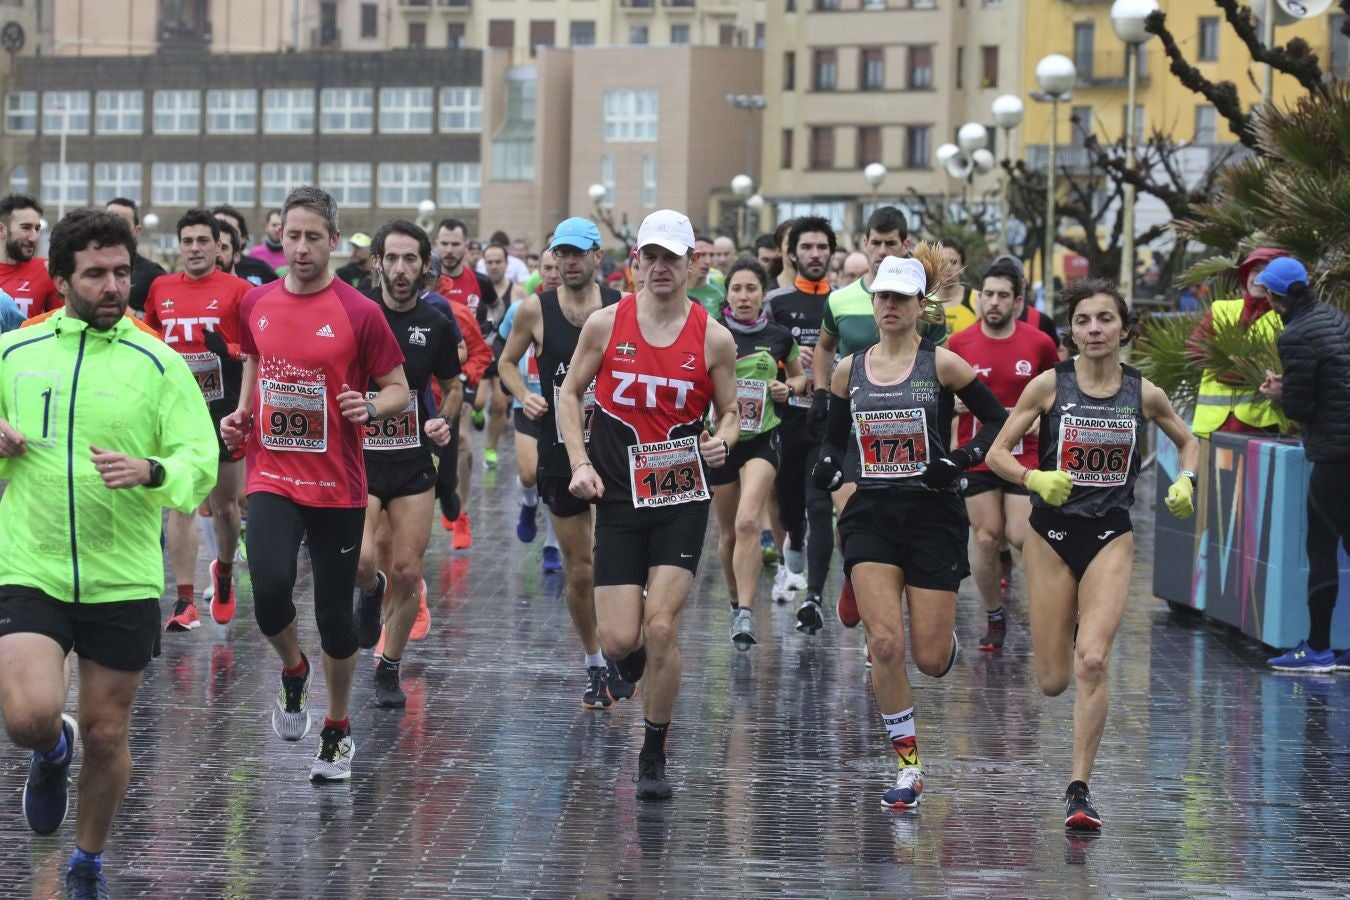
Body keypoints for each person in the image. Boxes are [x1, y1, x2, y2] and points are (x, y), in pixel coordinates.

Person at [0, 209, 217, 897]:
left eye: (122, 272)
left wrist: (154, 471)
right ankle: (48, 750)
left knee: (105, 733)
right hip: (28, 563)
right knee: (27, 716)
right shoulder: (15, 353)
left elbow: (199, 459)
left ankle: (87, 862)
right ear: (62, 279)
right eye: (95, 274)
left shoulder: (158, 363)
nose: (113, 286)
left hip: (121, 575)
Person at [986, 277, 1198, 831]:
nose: (1095, 329)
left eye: (1105, 319)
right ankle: (1070, 629)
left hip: (1110, 534)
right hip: (1050, 537)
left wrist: (1187, 480)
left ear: (1124, 329)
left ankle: (1079, 790)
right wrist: (1033, 478)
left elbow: (1188, 440)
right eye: (1083, 320)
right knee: (1053, 680)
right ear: (1071, 332)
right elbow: (998, 452)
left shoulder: (1143, 393)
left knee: (1095, 661)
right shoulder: (1048, 386)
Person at [220, 187, 409, 782]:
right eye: (292, 236)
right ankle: (293, 669)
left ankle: (337, 727)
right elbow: (255, 359)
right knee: (270, 590)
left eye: (313, 237)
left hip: (337, 485)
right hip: (272, 472)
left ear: (334, 240)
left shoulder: (360, 312)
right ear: (280, 236)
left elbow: (398, 388)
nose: (300, 248)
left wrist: (370, 407)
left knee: (334, 616)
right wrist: (243, 413)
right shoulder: (257, 301)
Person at [812, 254, 1007, 812]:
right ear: (873, 302)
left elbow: (997, 420)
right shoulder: (849, 370)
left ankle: (943, 642)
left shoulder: (942, 364)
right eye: (883, 296)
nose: (891, 306)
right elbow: (833, 440)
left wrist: (961, 460)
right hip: (871, 512)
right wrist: (828, 465)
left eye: (901, 297)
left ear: (921, 306)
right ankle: (908, 764)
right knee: (884, 643)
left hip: (932, 516)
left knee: (928, 658)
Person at [558, 209, 738, 798]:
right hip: (617, 498)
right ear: (635, 262)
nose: (660, 268)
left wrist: (723, 440)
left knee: (660, 627)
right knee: (618, 641)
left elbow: (732, 412)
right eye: (650, 257)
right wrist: (580, 463)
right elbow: (569, 393)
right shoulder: (606, 325)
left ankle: (654, 750)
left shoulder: (713, 337)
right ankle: (632, 664)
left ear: (692, 263)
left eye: (671, 258)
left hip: (681, 497)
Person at [499, 217, 634, 707]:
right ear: (554, 258)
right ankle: (595, 661)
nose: (570, 262)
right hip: (559, 452)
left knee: (619, 559)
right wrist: (524, 395)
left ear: (598, 256)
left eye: (579, 253)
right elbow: (506, 362)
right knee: (581, 569)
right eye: (563, 254)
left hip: (616, 452)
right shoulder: (535, 309)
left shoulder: (623, 307)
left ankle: (623, 641)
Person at [813, 208, 948, 627]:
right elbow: (824, 347)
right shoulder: (840, 299)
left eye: (892, 243)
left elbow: (941, 369)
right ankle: (857, 576)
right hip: (856, 428)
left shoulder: (928, 307)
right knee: (851, 514)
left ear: (905, 245)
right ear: (865, 243)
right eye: (876, 242)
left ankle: (902, 593)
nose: (883, 249)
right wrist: (821, 391)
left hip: (909, 435)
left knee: (896, 524)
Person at [352, 220, 461, 708]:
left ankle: (390, 668)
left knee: (408, 569)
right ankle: (368, 591)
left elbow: (452, 386)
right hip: (359, 458)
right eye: (392, 258)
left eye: (410, 259)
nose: (400, 269)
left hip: (413, 460)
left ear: (424, 265)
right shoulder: (356, 312)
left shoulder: (436, 323)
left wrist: (444, 421)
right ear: (377, 262)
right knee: (362, 560)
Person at [143, 209, 252, 631]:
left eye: (202, 241)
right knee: (181, 500)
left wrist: (228, 350)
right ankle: (184, 600)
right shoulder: (161, 288)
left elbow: (257, 351)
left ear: (218, 246)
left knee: (225, 507)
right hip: (176, 411)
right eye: (187, 241)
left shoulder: (239, 291)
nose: (194, 248)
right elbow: (147, 338)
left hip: (222, 409)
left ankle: (223, 570)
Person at [948, 261, 1060, 650]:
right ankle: (994, 616)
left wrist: (1041, 416)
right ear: (979, 298)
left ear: (1017, 301)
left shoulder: (1039, 343)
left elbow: (1059, 391)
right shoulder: (959, 344)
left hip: (1022, 454)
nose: (994, 302)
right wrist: (954, 406)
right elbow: (943, 391)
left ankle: (1051, 605)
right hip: (978, 452)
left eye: (1003, 296)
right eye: (988, 295)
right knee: (986, 537)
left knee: (1019, 534)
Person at [1255, 258, 1350, 672]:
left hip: (1333, 454)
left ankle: (1319, 648)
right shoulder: (1337, 318)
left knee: (1321, 546)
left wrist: (1281, 392)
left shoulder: (1295, 334)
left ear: (1274, 296)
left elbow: (1300, 406)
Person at [712, 258, 806, 648]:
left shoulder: (779, 336)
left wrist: (789, 388)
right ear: (727, 295)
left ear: (763, 294)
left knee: (749, 521)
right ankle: (736, 603)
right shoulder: (711, 333)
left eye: (751, 288)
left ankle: (747, 612)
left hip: (763, 439)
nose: (743, 296)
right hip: (721, 443)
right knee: (728, 535)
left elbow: (799, 375)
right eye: (736, 289)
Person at [767, 216, 837, 626]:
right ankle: (793, 536)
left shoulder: (843, 302)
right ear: (792, 254)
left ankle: (814, 597)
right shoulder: (775, 301)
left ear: (831, 253)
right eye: (807, 247)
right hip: (786, 419)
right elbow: (755, 354)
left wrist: (831, 358)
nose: (815, 254)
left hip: (826, 418)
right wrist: (789, 360)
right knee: (790, 506)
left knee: (820, 505)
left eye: (822, 247)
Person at [433, 218, 497, 549]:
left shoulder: (479, 282)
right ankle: (444, 491)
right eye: (443, 243)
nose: (449, 250)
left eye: (455, 244)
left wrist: (470, 370)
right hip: (427, 381)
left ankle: (462, 513)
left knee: (460, 439)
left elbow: (494, 315)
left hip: (461, 373)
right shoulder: (419, 278)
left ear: (466, 246)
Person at [1189, 247, 1292, 439]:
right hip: (1213, 426)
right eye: (1255, 270)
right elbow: (1195, 350)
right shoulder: (1221, 309)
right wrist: (1246, 368)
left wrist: (1227, 365)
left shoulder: (1286, 320)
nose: (1259, 278)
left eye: (1266, 271)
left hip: (1261, 427)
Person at [479, 243, 526, 469]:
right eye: (489, 262)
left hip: (504, 356)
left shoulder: (517, 292)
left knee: (499, 405)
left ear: (507, 264)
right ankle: (477, 414)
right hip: (479, 356)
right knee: (478, 403)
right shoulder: (477, 288)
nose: (494, 266)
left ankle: (491, 447)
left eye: (498, 262)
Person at [0, 195, 61, 319]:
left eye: (37, 229)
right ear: (1, 230)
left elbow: (61, 324)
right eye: (26, 228)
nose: (34, 237)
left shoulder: (47, 270)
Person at [104, 198, 167, 316]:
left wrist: (132, 314)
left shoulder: (153, 275)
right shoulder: (87, 268)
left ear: (137, 231)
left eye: (122, 224)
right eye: (109, 222)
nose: (114, 229)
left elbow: (166, 320)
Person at [212, 205, 279, 288]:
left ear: (244, 238)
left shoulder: (260, 269)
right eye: (216, 229)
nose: (221, 234)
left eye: (230, 230)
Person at [936, 237, 977, 336]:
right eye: (941, 261)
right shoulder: (921, 301)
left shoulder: (978, 300)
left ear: (962, 268)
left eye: (953, 262)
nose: (947, 267)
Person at [688, 233, 727, 320]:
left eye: (711, 255)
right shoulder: (675, 290)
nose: (708, 261)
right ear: (690, 257)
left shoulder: (721, 291)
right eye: (702, 255)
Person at [246, 208, 288, 273]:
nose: (277, 229)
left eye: (281, 225)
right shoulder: (254, 253)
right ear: (267, 227)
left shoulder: (292, 255)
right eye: (274, 225)